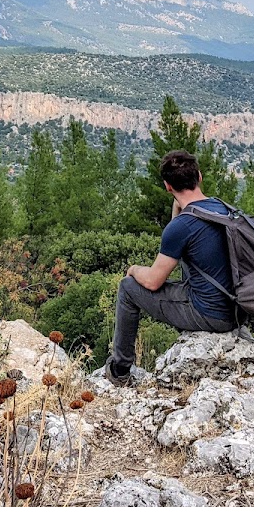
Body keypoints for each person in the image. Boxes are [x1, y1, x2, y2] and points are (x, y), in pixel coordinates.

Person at [105, 150, 237, 386]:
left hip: (209, 315)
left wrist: (134, 269)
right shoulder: (221, 208)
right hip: (236, 311)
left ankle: (120, 370)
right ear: (199, 176)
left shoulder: (182, 227)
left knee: (127, 288)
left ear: (167, 187)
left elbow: (153, 281)